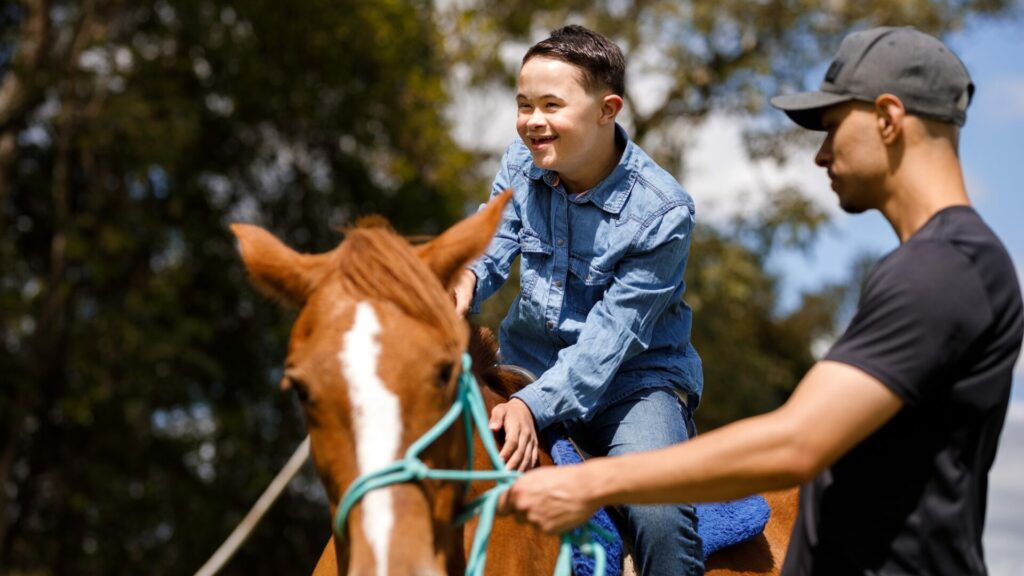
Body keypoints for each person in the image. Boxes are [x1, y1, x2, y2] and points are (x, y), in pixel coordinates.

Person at [501, 26, 1024, 576]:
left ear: (889, 119)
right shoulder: (926, 265)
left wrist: (591, 480)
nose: (822, 155)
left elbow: (797, 442)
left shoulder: (944, 271)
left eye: (832, 128)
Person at [451, 24, 705, 576]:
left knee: (660, 516)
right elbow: (491, 242)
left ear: (606, 109)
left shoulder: (664, 214)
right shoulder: (522, 163)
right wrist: (464, 280)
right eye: (523, 105)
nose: (532, 121)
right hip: (527, 360)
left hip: (633, 384)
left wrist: (530, 406)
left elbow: (606, 348)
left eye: (550, 105)